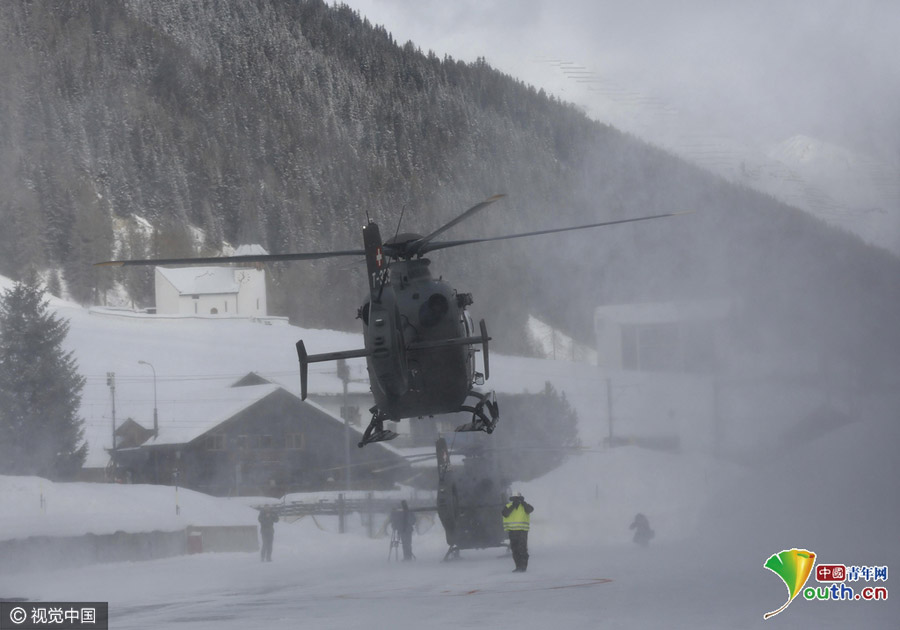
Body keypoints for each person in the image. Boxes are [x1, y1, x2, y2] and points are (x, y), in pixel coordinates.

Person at [502, 492, 534, 572]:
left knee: (522, 549)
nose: (517, 500)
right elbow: (505, 513)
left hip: (522, 531)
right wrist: (513, 505)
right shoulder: (509, 506)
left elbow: (530, 509)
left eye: (518, 498)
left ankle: (523, 567)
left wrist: (523, 503)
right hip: (512, 532)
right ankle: (518, 567)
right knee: (515, 550)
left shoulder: (524, 506)